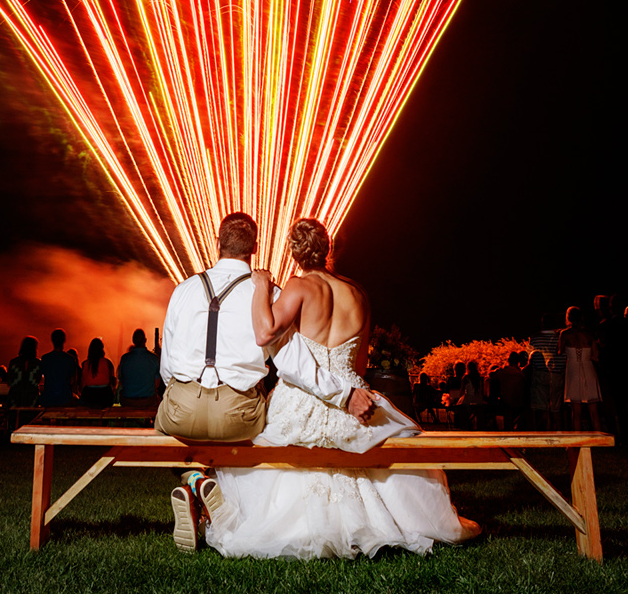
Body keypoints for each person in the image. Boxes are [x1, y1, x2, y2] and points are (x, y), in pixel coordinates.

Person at [202, 218, 480, 559]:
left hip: (303, 398)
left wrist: (261, 286)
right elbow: (360, 364)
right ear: (328, 248)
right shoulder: (358, 293)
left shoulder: (298, 287)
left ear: (293, 253)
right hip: (353, 393)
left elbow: (266, 331)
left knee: (268, 452)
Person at [156, 211, 378, 549]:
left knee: (172, 425)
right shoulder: (270, 292)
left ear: (217, 243)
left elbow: (167, 364)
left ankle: (194, 478)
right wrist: (345, 394)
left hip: (180, 411)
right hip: (237, 414)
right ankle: (207, 487)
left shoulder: (183, 289)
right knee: (257, 427)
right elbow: (293, 364)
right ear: (255, 248)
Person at [559, 307, 601, 431]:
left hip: (573, 369)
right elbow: (596, 356)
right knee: (594, 411)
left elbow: (559, 351)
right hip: (588, 368)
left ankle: (577, 441)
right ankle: (598, 441)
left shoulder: (565, 333)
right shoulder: (589, 334)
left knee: (576, 412)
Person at [118, 329, 160, 408]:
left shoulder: (125, 358)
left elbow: (121, 381)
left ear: (133, 341)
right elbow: (157, 383)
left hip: (128, 401)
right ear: (145, 340)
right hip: (148, 400)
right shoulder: (154, 359)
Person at [40, 329, 78, 407]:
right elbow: (72, 380)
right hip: (65, 398)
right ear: (64, 340)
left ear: (52, 340)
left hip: (48, 398)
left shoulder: (45, 358)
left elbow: (41, 378)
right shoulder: (70, 359)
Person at [7, 337, 43, 409]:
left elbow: (9, 381)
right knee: (30, 418)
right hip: (32, 398)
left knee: (15, 418)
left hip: (15, 398)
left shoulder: (14, 362)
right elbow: (38, 380)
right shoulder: (38, 363)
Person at [80, 338, 116, 407]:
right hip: (105, 396)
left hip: (89, 397)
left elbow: (82, 384)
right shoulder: (107, 363)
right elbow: (112, 383)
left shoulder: (86, 364)